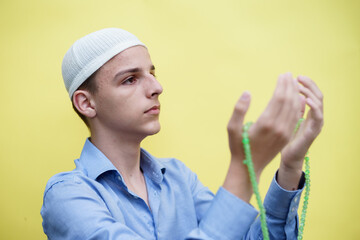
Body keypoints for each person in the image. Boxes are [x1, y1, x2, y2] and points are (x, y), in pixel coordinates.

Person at [41, 28, 323, 240]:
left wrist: (290, 166)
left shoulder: (178, 177)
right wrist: (244, 168)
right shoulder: (67, 197)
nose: (156, 87)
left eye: (152, 72)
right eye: (130, 79)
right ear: (86, 103)